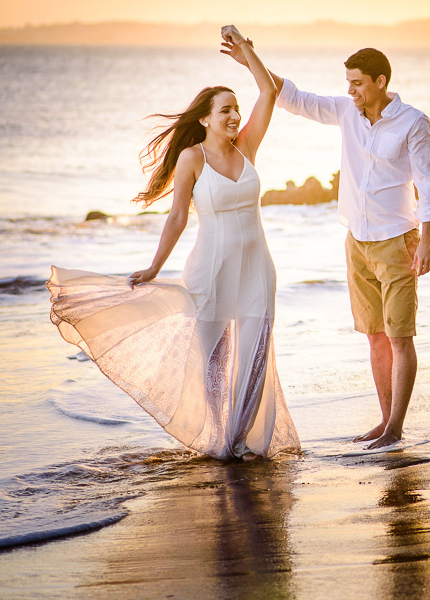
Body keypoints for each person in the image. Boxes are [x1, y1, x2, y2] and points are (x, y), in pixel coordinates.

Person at [47, 27, 300, 460]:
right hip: (211, 273)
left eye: (236, 109)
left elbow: (269, 92)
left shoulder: (247, 148)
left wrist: (246, 52)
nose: (234, 115)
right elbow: (178, 216)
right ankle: (219, 439)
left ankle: (239, 442)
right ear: (204, 119)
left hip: (259, 271)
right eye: (225, 109)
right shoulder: (192, 158)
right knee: (210, 363)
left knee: (255, 358)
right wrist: (154, 267)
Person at [261, 46, 430, 450]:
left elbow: (429, 184)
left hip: (398, 241)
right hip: (356, 241)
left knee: (400, 336)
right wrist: (249, 57)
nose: (350, 90)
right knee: (375, 336)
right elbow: (293, 98)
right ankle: (384, 420)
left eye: (357, 83)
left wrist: (428, 239)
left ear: (380, 82)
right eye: (348, 83)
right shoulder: (346, 112)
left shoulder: (414, 122)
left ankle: (396, 428)